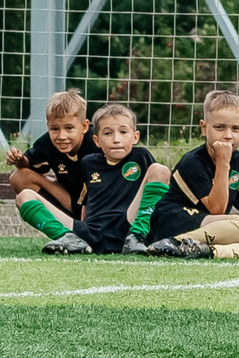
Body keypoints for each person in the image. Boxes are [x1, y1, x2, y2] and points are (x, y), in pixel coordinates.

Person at [142, 88, 239, 260]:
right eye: (220, 127)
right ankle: (172, 243)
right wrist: (223, 162)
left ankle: (208, 251)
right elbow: (217, 209)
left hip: (210, 229)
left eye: (235, 129)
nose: (228, 135)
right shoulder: (193, 161)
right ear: (204, 128)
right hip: (174, 222)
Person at [38, 102, 154, 254]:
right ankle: (70, 239)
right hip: (90, 233)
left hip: (126, 227)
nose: (116, 139)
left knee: (160, 170)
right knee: (24, 196)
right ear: (96, 140)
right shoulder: (88, 163)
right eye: (107, 133)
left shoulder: (141, 157)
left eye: (123, 132)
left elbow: (160, 195)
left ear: (135, 136)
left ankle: (137, 237)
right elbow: (85, 202)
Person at [8, 89, 89, 241]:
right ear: (48, 126)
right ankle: (65, 236)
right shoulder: (48, 143)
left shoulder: (97, 143)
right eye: (55, 129)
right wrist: (19, 159)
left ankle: (92, 229)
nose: (61, 136)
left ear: (84, 127)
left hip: (98, 204)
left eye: (69, 128)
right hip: (69, 202)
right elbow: (30, 163)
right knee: (19, 177)